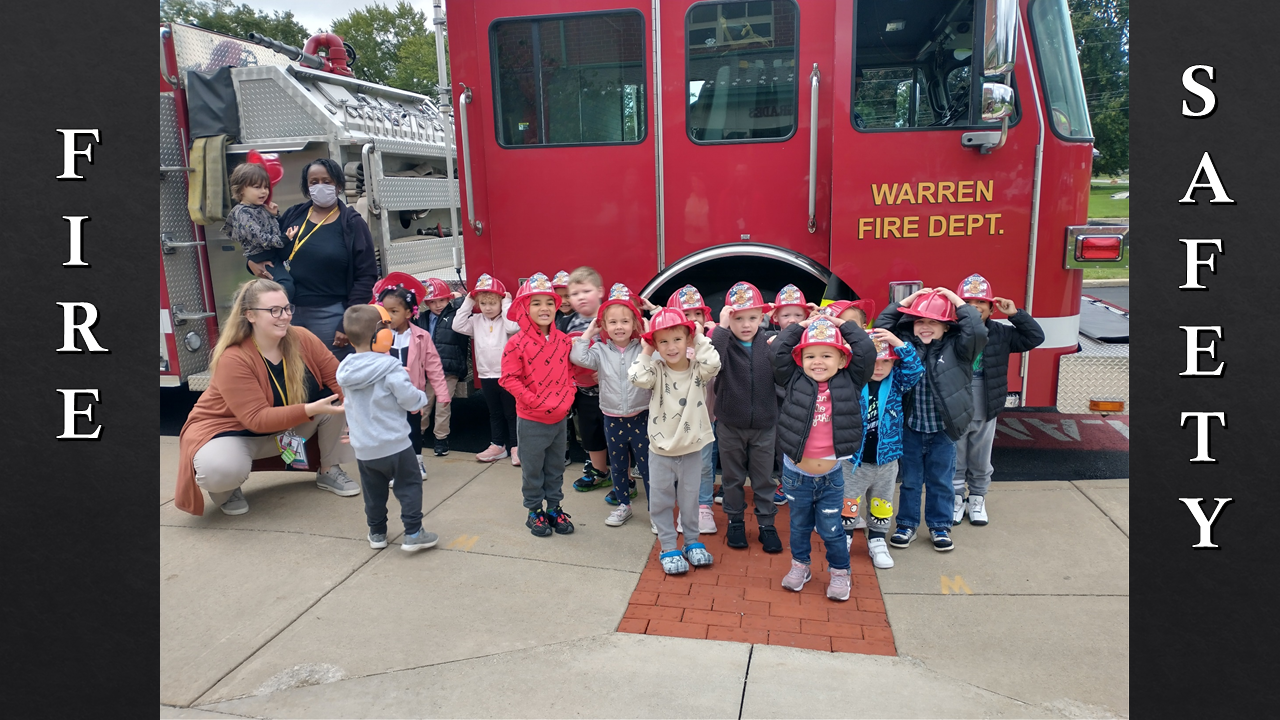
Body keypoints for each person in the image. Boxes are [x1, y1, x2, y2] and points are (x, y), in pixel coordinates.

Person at [174, 279, 358, 517]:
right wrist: (309, 409)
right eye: (274, 310)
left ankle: (328, 468)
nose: (284, 316)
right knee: (220, 470)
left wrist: (364, 400)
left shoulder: (302, 337)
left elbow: (338, 379)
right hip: (232, 432)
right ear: (250, 315)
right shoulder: (233, 357)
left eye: (287, 308)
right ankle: (227, 489)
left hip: (284, 429)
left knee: (335, 402)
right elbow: (256, 419)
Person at [772, 315, 876, 600]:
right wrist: (800, 327)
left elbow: (867, 351)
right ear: (800, 360)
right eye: (810, 356)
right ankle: (800, 566)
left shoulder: (851, 380)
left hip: (831, 477)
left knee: (832, 530)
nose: (818, 362)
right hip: (796, 475)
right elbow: (777, 352)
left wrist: (841, 325)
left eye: (827, 355)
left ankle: (840, 572)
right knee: (799, 527)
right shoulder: (794, 379)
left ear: (843, 360)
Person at [875, 288, 987, 552]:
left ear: (947, 327)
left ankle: (940, 526)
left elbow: (977, 331)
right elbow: (882, 326)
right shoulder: (904, 344)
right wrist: (908, 301)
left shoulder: (960, 348)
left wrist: (955, 299)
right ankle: (907, 525)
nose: (925, 327)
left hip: (943, 430)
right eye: (920, 322)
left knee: (941, 481)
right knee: (911, 481)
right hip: (911, 428)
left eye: (933, 322)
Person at [249, 158, 378, 360]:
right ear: (306, 187)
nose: (320, 186)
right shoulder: (293, 215)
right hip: (285, 313)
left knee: (332, 374)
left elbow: (366, 276)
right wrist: (251, 263)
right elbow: (265, 246)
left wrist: (347, 322)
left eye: (327, 181)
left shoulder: (352, 224)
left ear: (339, 185)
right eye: (314, 182)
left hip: (331, 315)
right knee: (294, 373)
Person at [335, 304, 439, 552]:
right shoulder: (391, 367)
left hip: (365, 449)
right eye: (387, 327)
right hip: (396, 445)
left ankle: (377, 532)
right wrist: (421, 398)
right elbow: (409, 400)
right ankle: (413, 533)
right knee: (410, 486)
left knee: (374, 494)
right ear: (380, 336)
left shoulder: (346, 370)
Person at [629, 308, 721, 574]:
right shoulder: (656, 370)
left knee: (690, 499)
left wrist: (699, 337)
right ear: (655, 344)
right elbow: (636, 377)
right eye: (663, 341)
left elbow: (714, 363)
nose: (671, 347)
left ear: (688, 341)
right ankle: (668, 545)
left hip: (692, 448)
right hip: (661, 449)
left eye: (678, 339)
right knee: (661, 500)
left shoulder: (698, 371)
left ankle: (692, 542)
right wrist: (646, 351)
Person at [951, 274, 1045, 526]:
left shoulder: (1002, 333)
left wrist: (1015, 315)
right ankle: (957, 498)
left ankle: (978, 498)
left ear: (992, 307)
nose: (974, 307)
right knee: (956, 451)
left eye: (981, 302)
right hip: (955, 396)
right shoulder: (949, 331)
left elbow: (1034, 338)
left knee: (981, 453)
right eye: (967, 301)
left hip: (986, 394)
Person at [500, 273, 576, 537]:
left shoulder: (563, 340)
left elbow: (570, 373)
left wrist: (568, 398)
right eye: (536, 303)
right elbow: (509, 379)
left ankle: (554, 507)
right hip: (532, 419)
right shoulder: (516, 344)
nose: (544, 308)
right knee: (532, 469)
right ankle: (534, 511)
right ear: (523, 308)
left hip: (559, 418)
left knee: (555, 467)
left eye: (548, 302)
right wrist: (534, 401)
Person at [571, 284, 652, 529]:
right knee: (617, 464)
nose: (619, 327)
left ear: (635, 324)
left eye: (626, 321)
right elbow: (578, 357)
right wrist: (588, 333)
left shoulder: (643, 347)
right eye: (613, 322)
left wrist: (649, 333)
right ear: (604, 326)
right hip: (612, 417)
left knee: (648, 466)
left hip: (641, 417)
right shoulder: (600, 350)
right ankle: (624, 505)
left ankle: (655, 509)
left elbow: (659, 358)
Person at [843, 328, 924, 569]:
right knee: (848, 503)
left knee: (882, 503)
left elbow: (915, 369)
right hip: (854, 459)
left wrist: (898, 343)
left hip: (886, 461)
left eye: (886, 361)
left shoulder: (897, 381)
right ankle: (845, 537)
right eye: (874, 361)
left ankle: (877, 540)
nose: (879, 367)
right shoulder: (853, 381)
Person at [712, 281, 783, 553]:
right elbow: (712, 363)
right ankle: (736, 521)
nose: (745, 324)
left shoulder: (769, 344)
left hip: (765, 426)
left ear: (762, 318)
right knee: (732, 478)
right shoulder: (724, 344)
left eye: (752, 318)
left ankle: (767, 524)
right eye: (738, 318)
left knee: (764, 478)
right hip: (731, 425)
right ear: (728, 318)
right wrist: (720, 327)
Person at [373, 273, 451, 480]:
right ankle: (393, 467)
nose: (388, 316)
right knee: (389, 433)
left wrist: (442, 393)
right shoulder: (377, 336)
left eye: (394, 311)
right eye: (384, 311)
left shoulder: (420, 336)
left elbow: (434, 366)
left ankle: (416, 462)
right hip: (386, 398)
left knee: (413, 431)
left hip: (411, 397)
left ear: (409, 313)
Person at [452, 273, 521, 465]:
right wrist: (467, 301)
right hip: (486, 374)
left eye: (493, 303)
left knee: (511, 412)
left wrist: (508, 303)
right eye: (483, 304)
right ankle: (498, 445)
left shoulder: (505, 321)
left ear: (500, 302)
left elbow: (513, 327)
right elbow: (457, 325)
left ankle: (517, 447)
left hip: (507, 375)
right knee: (494, 412)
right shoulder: (475, 321)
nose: (488, 308)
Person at [667, 284, 720, 533]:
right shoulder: (667, 347)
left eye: (696, 314)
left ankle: (703, 506)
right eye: (685, 315)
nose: (692, 320)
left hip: (704, 417)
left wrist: (699, 338)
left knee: (705, 465)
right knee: (678, 468)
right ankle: (685, 509)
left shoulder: (709, 342)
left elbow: (713, 369)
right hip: (674, 421)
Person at [558, 267, 611, 493]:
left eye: (586, 291)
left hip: (612, 392)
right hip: (584, 392)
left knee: (617, 437)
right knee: (591, 435)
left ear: (600, 291)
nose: (580, 297)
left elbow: (628, 349)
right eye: (574, 293)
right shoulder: (569, 323)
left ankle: (624, 478)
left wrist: (607, 370)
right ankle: (600, 473)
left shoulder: (612, 318)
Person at [768, 284, 815, 504]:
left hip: (807, 401)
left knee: (810, 441)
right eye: (786, 315)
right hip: (779, 402)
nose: (793, 320)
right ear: (775, 317)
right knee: (781, 443)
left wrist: (818, 316)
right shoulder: (770, 337)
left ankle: (809, 480)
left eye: (799, 314)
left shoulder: (813, 336)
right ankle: (783, 481)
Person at [413, 278, 470, 457]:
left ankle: (441, 438)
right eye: (432, 302)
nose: (438, 305)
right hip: (427, 370)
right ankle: (418, 433)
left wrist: (458, 298)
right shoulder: (420, 319)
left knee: (443, 405)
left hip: (448, 368)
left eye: (442, 300)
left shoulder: (454, 315)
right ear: (426, 303)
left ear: (449, 299)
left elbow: (466, 311)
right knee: (424, 403)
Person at [225, 163, 292, 300]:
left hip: (271, 253)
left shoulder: (259, 207)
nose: (264, 191)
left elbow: (272, 229)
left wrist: (274, 215)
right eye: (257, 187)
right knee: (286, 285)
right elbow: (258, 237)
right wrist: (283, 239)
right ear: (241, 189)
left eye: (266, 187)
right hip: (262, 256)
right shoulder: (242, 213)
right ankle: (281, 311)